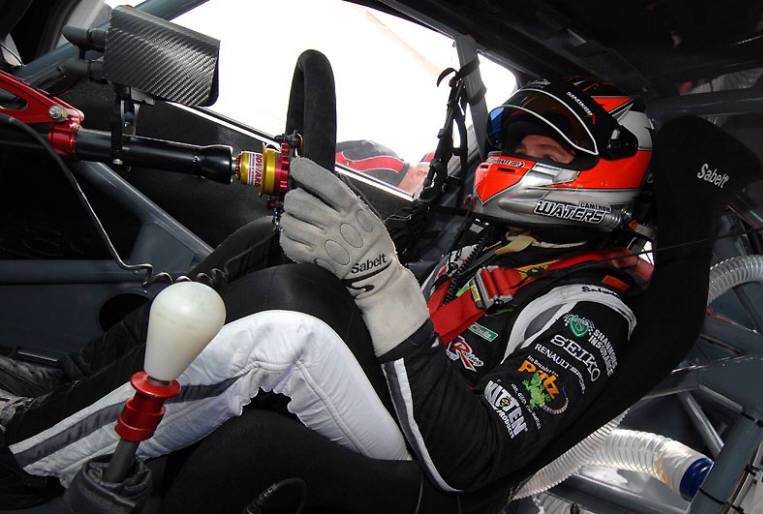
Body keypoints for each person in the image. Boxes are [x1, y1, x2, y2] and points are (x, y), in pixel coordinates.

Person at [0, 78, 654, 513]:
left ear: (609, 170)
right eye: (519, 145)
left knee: (287, 326)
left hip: (434, 454)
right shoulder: (504, 243)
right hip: (404, 394)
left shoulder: (592, 309)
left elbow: (472, 458)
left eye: (548, 152)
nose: (521, 159)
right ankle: (67, 383)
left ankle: (22, 465)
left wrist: (381, 283)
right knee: (269, 242)